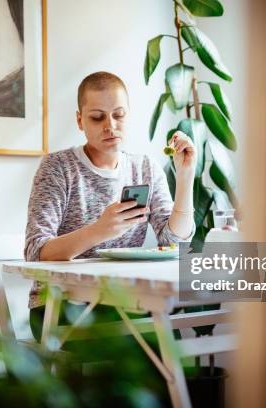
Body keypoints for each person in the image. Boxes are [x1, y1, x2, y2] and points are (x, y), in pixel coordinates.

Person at [24, 71, 196, 342]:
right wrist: (101, 230)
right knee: (152, 343)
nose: (110, 125)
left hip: (124, 302)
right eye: (97, 117)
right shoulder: (57, 168)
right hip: (60, 308)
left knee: (165, 340)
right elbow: (36, 252)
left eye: (119, 115)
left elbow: (173, 240)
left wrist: (185, 178)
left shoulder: (145, 168)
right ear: (80, 120)